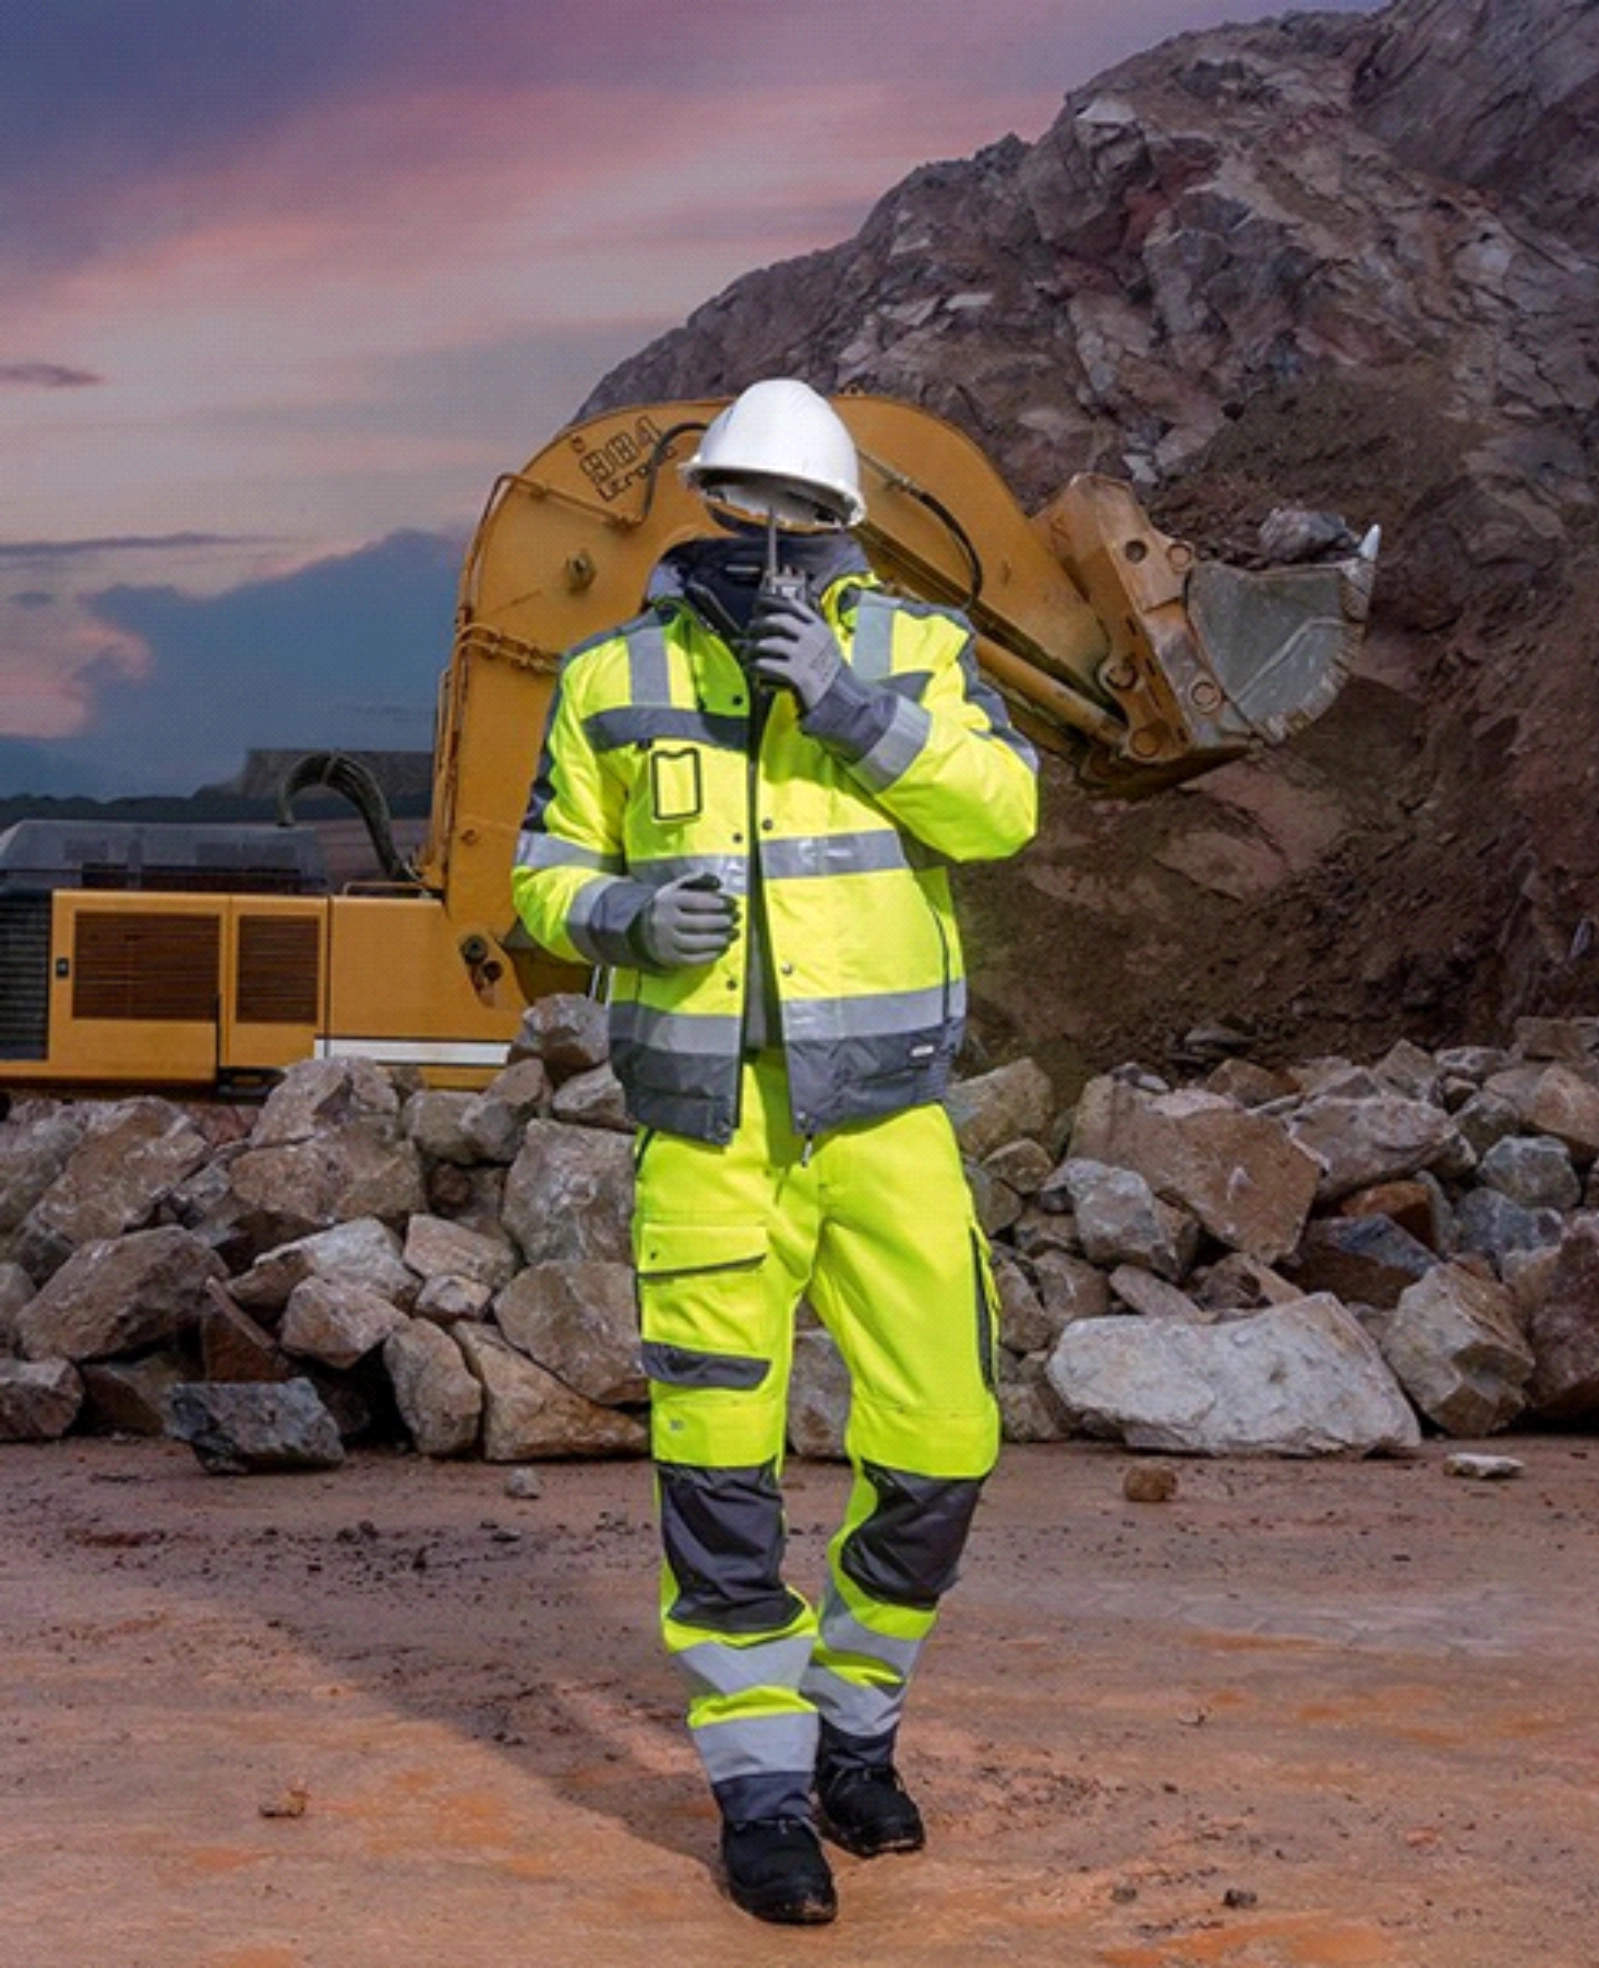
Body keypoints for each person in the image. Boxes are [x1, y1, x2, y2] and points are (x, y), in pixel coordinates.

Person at [510, 378, 1039, 1925]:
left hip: (884, 1126)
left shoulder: (919, 654)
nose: (767, 540)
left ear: (840, 530)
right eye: (742, 509)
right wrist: (616, 915)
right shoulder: (608, 677)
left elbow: (1004, 813)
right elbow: (544, 867)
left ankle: (854, 1727)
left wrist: (855, 708)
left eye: (797, 517)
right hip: (708, 1138)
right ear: (709, 512)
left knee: (944, 1444)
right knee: (719, 1473)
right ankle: (757, 1791)